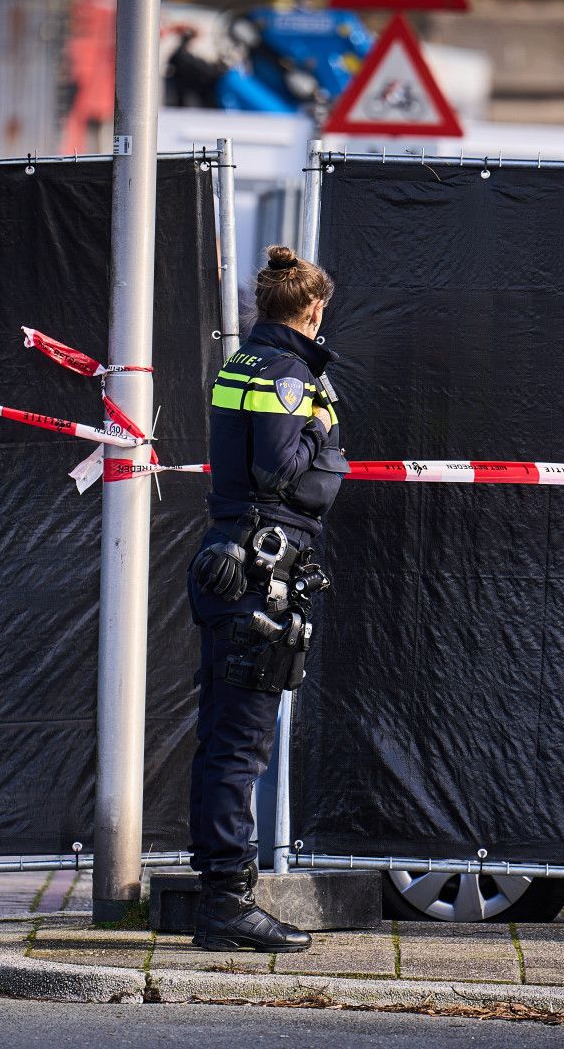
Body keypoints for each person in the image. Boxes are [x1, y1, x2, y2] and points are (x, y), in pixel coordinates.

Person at [185, 245, 348, 952]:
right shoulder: (288, 372)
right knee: (239, 746)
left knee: (223, 739)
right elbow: (279, 470)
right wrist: (321, 426)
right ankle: (227, 906)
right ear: (314, 309)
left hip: (236, 555)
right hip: (260, 569)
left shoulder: (243, 362)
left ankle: (222, 899)